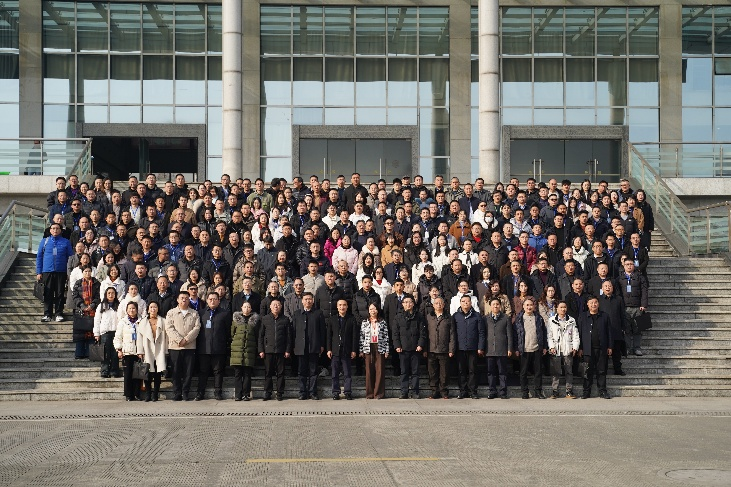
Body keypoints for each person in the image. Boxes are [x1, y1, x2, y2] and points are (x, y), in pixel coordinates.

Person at [165, 292, 201, 401]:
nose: (184, 300)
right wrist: (179, 340)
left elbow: (197, 328)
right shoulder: (171, 313)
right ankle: (177, 393)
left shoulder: (194, 313)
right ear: (177, 300)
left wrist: (186, 339)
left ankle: (185, 392)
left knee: (188, 372)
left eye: (186, 298)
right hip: (175, 347)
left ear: (189, 300)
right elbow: (169, 328)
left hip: (190, 347)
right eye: (182, 298)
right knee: (176, 371)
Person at [195, 292, 231, 401]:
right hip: (204, 348)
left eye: (215, 299)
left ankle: (218, 392)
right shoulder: (201, 313)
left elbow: (228, 331)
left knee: (218, 371)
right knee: (203, 371)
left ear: (219, 301)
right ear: (207, 300)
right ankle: (200, 393)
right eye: (210, 299)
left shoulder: (225, 314)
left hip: (218, 348)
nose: (212, 301)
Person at [36, 223, 74, 322]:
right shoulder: (44, 241)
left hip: (61, 271)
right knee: (47, 293)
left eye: (57, 228)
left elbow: (70, 258)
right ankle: (47, 314)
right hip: (47, 271)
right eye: (53, 228)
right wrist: (39, 272)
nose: (55, 230)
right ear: (50, 230)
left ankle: (59, 313)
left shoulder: (66, 242)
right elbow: (39, 257)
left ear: (61, 230)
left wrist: (69, 273)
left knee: (60, 293)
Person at [578, 296, 613, 399]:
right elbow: (579, 333)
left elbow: (609, 332)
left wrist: (610, 346)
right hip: (587, 349)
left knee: (601, 370)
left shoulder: (604, 316)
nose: (594, 304)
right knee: (587, 371)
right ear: (587, 304)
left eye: (595, 302)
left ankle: (602, 391)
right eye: (591, 303)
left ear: (598, 304)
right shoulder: (583, 316)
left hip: (601, 348)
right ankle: (586, 391)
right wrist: (580, 348)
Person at [293, 292, 326, 400]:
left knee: (313, 371)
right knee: (301, 371)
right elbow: (293, 331)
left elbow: (322, 331)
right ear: (302, 301)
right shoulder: (297, 314)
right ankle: (302, 392)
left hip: (314, 346)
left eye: (310, 299)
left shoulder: (318, 313)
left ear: (313, 300)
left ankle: (313, 392)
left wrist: (322, 345)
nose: (308, 301)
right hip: (301, 347)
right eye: (306, 299)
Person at [392, 295, 426, 399]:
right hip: (403, 348)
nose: (408, 304)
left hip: (415, 348)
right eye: (406, 302)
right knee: (404, 372)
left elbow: (423, 332)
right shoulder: (398, 317)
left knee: (415, 372)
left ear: (413, 303)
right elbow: (395, 333)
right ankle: (404, 392)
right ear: (402, 304)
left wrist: (420, 344)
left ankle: (415, 392)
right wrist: (397, 345)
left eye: (410, 302)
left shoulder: (419, 316)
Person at [514, 297, 547, 399]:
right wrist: (516, 348)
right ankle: (525, 392)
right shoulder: (519, 319)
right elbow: (515, 335)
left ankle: (538, 391)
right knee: (523, 372)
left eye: (531, 305)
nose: (529, 307)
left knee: (538, 372)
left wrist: (544, 347)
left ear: (534, 306)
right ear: (523, 306)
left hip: (537, 348)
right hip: (524, 349)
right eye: (527, 305)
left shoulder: (538, 318)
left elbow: (544, 332)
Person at [258, 299, 292, 401]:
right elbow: (261, 336)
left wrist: (288, 350)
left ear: (281, 306)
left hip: (281, 350)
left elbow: (289, 337)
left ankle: (280, 393)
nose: (276, 306)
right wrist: (261, 350)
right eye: (274, 305)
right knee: (268, 372)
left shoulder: (285, 319)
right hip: (268, 350)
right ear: (270, 306)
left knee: (281, 373)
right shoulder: (265, 319)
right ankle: (267, 392)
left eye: (278, 305)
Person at [453, 294, 486, 399]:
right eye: (463, 301)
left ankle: (473, 391)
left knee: (473, 370)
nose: (465, 303)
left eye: (467, 301)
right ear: (460, 303)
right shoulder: (456, 316)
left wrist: (480, 347)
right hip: (460, 348)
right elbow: (453, 333)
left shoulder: (477, 316)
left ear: (471, 303)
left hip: (473, 348)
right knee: (461, 370)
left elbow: (481, 332)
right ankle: (463, 391)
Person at [326, 299, 358, 400]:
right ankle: (335, 392)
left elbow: (354, 336)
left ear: (347, 306)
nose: (342, 307)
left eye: (344, 305)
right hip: (335, 350)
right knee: (334, 373)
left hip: (347, 350)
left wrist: (354, 350)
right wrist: (329, 349)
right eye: (340, 305)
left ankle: (347, 392)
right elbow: (329, 336)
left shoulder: (351, 319)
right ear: (337, 306)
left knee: (347, 373)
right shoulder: (332, 319)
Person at [546, 301, 579, 399]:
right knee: (555, 371)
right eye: (561, 307)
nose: (563, 309)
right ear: (557, 309)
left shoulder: (571, 320)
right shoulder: (551, 320)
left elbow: (575, 335)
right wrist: (551, 346)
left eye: (564, 307)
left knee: (569, 371)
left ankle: (569, 390)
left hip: (567, 348)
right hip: (556, 349)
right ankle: (555, 391)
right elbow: (549, 335)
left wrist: (575, 347)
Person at [424, 296, 455, 399]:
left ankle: (444, 391)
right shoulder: (429, 317)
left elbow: (452, 334)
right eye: (436, 303)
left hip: (444, 349)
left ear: (444, 305)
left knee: (444, 372)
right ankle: (434, 391)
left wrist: (451, 349)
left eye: (440, 303)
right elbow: (425, 334)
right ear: (433, 305)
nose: (439, 305)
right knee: (432, 372)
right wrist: (425, 349)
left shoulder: (448, 317)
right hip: (431, 349)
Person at [137, 300, 167, 402]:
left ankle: (155, 394)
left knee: (158, 373)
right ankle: (148, 394)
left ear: (158, 309)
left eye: (155, 307)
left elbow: (166, 337)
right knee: (148, 373)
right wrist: (140, 351)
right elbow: (139, 338)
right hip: (147, 349)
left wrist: (166, 350)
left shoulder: (163, 321)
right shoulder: (143, 322)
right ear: (148, 309)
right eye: (151, 307)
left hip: (159, 349)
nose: (153, 309)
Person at [484, 297, 513, 399]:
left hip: (502, 349)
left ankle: (503, 392)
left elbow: (509, 334)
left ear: (500, 306)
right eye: (493, 304)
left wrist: (509, 348)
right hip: (489, 350)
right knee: (490, 372)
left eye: (497, 304)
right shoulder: (485, 318)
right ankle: (492, 391)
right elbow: (483, 334)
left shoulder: (505, 318)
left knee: (502, 372)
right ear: (490, 306)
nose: (495, 306)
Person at [230, 301, 260, 401]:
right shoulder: (236, 320)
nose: (246, 308)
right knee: (238, 374)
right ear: (241, 308)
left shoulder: (254, 322)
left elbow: (256, 335)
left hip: (249, 350)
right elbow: (232, 334)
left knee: (247, 374)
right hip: (237, 350)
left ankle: (246, 394)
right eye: (245, 307)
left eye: (248, 307)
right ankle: (238, 394)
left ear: (251, 309)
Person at [359, 303, 389, 399]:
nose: (373, 311)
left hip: (379, 347)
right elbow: (362, 337)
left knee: (380, 371)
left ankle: (379, 393)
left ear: (378, 310)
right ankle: (370, 393)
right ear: (368, 311)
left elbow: (386, 337)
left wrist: (386, 350)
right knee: (369, 371)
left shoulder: (382, 322)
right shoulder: (365, 322)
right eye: (371, 309)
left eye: (374, 309)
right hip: (368, 347)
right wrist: (361, 350)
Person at [619, 259, 648, 356]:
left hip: (637, 307)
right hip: (625, 307)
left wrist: (644, 304)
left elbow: (644, 291)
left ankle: (637, 348)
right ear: (624, 266)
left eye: (631, 264)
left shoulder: (640, 277)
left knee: (637, 329)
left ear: (634, 265)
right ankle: (627, 348)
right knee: (626, 329)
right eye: (627, 264)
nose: (629, 266)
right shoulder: (620, 278)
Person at [114, 301, 142, 401]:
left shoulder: (142, 321)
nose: (131, 310)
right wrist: (119, 349)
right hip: (127, 352)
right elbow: (118, 337)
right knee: (128, 374)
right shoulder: (123, 322)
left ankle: (137, 394)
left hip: (138, 352)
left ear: (137, 310)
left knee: (138, 374)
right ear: (126, 310)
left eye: (133, 308)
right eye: (129, 308)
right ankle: (128, 395)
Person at [599, 280, 627, 376]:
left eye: (609, 286)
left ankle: (618, 369)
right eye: (605, 286)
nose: (608, 288)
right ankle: (603, 370)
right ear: (602, 288)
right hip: (604, 330)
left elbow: (622, 314)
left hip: (616, 329)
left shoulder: (618, 299)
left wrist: (623, 327)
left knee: (617, 352)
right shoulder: (599, 300)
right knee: (603, 353)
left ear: (612, 287)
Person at [72, 265, 100, 359]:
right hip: (81, 311)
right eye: (85, 271)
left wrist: (92, 305)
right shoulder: (78, 283)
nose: (87, 273)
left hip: (93, 311)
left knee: (91, 332)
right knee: (80, 333)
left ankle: (89, 353)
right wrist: (82, 305)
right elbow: (75, 296)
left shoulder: (96, 283)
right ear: (82, 273)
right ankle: (79, 353)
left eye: (89, 271)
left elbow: (98, 296)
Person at [93, 287, 121, 378]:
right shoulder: (101, 306)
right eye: (109, 293)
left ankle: (114, 370)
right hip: (105, 332)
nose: (111, 295)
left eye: (113, 293)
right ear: (106, 294)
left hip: (116, 332)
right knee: (105, 353)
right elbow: (97, 320)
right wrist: (96, 333)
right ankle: (104, 370)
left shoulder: (119, 305)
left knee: (115, 353)